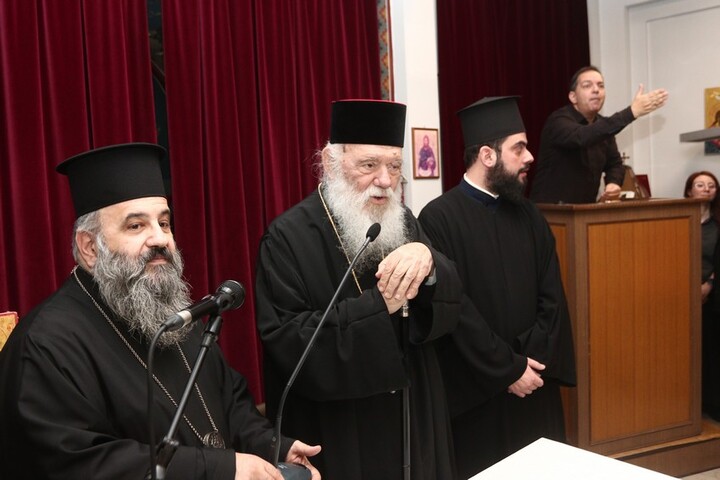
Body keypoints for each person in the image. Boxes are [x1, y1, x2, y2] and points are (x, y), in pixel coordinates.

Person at [0, 143, 321, 480]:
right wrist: (221, 469)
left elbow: (232, 406)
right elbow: (81, 463)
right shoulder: (45, 345)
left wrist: (273, 447)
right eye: (136, 226)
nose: (160, 239)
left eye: (164, 223)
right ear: (90, 247)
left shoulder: (172, 314)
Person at [255, 100, 463, 480]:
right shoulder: (287, 238)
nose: (385, 180)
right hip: (343, 432)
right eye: (369, 165)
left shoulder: (403, 221)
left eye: (394, 166)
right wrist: (380, 305)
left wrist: (430, 262)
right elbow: (289, 341)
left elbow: (451, 297)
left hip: (413, 419)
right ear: (331, 163)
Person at [418, 96, 577, 477]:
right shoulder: (438, 219)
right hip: (479, 392)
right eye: (518, 148)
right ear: (487, 156)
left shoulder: (529, 214)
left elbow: (552, 296)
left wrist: (529, 364)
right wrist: (507, 370)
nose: (529, 158)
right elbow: (455, 310)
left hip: (534, 383)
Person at [530, 65, 669, 204]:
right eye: (587, 85)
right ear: (573, 97)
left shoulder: (603, 126)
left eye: (600, 86)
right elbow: (582, 137)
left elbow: (615, 164)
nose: (596, 90)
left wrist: (613, 183)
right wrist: (631, 112)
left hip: (586, 210)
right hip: (551, 211)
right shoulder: (558, 121)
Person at [683, 171, 720, 421]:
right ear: (689, 191)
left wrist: (708, 284)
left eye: (711, 186)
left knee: (710, 351)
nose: (706, 189)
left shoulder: (717, 225)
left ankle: (711, 403)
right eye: (700, 185)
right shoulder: (678, 221)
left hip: (711, 296)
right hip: (680, 296)